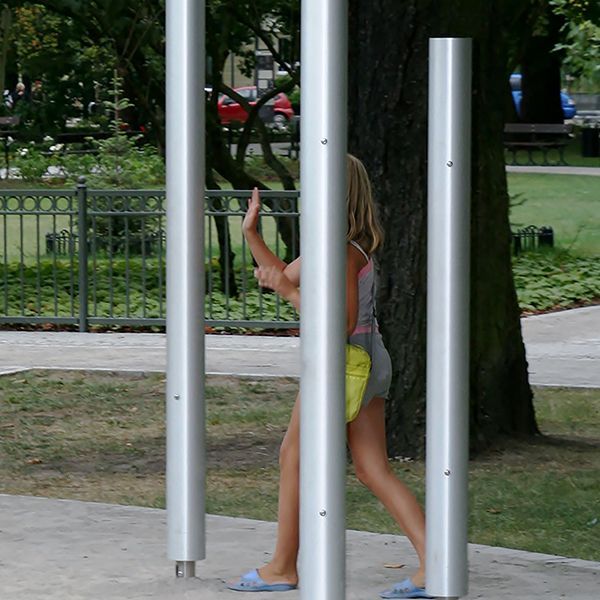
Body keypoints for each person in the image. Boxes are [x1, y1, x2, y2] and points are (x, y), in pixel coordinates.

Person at [228, 154, 430, 599]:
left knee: (293, 457)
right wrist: (251, 234)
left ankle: (282, 567)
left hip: (345, 362)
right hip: (366, 360)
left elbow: (336, 323)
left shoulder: (341, 251)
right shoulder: (332, 245)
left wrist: (289, 292)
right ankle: (435, 560)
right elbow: (283, 275)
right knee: (372, 468)